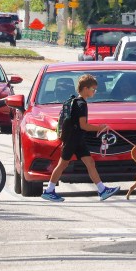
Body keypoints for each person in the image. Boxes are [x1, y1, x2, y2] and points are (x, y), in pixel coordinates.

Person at [42, 74, 120, 202]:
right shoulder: (81, 104)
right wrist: (100, 128)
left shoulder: (76, 102)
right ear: (85, 88)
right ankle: (49, 191)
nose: (94, 92)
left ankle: (102, 190)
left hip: (77, 139)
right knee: (62, 164)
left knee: (90, 163)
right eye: (93, 89)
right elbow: (83, 125)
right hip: (73, 140)